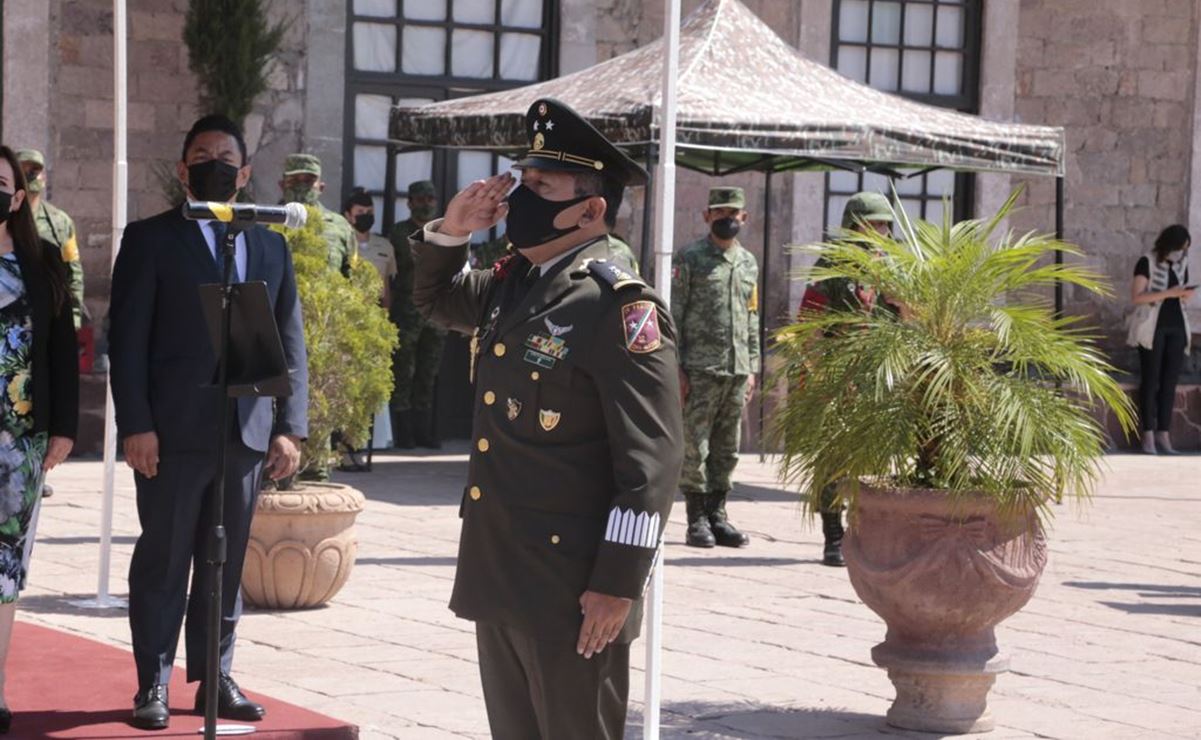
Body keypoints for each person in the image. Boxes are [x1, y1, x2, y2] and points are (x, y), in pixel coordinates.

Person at [411, 97, 683, 739]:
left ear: (592, 209)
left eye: (540, 186)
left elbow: (652, 463)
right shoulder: (518, 280)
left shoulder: (616, 306)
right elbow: (436, 300)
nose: (519, 199)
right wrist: (453, 229)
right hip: (502, 567)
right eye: (521, 182)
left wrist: (617, 585)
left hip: (574, 590)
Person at [109, 114, 308, 730]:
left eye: (226, 156)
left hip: (244, 434)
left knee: (224, 561)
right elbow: (128, 339)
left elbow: (288, 335)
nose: (214, 163)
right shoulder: (150, 239)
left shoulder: (270, 243)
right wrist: (136, 423)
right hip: (169, 435)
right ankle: (154, 682)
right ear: (182, 168)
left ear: (245, 172)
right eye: (201, 154)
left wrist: (288, 426)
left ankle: (215, 676)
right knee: (165, 560)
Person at [0, 145, 78, 736]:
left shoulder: (44, 259)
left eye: (1, 183)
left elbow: (62, 350)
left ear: (19, 196)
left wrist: (65, 428)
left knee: (4, 568)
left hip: (19, 442)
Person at [801, 191, 896, 566]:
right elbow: (808, 326)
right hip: (840, 379)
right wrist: (820, 376)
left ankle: (866, 533)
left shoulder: (892, 268)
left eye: (886, 224)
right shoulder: (832, 267)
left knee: (873, 461)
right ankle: (834, 534)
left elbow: (911, 318)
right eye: (875, 223)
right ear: (855, 225)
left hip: (880, 379)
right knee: (834, 460)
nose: (883, 231)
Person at [671, 186, 759, 549]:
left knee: (728, 448)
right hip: (699, 370)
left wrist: (752, 365)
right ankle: (696, 521)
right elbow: (673, 315)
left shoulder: (748, 262)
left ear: (744, 218)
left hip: (736, 370)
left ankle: (719, 516)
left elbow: (752, 315)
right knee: (696, 446)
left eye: (733, 214)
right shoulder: (690, 258)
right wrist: (675, 366)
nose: (727, 220)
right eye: (719, 213)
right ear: (707, 216)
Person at [388, 180, 448, 449]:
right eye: (420, 199)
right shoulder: (399, 232)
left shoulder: (444, 231)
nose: (425, 204)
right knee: (404, 372)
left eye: (430, 199)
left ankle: (425, 431)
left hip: (436, 315)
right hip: (407, 313)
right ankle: (404, 434)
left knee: (428, 373)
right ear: (409, 202)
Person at [1128, 224, 1194, 454]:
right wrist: (1170, 293)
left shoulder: (1180, 265)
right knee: (1151, 379)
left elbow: (1179, 293)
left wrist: (1184, 294)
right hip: (1152, 328)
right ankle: (1147, 435)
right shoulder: (1146, 262)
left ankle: (1163, 434)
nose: (1181, 253)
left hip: (1176, 326)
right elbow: (1137, 297)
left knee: (1169, 382)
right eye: (1179, 248)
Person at [342, 187, 396, 460]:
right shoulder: (342, 241)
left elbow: (386, 288)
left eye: (369, 213)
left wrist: (385, 322)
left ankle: (369, 441)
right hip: (346, 319)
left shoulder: (384, 246)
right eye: (360, 213)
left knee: (371, 384)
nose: (366, 217)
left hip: (374, 320)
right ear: (348, 216)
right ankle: (343, 442)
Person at [15, 149, 84, 329]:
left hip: (46, 318)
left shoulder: (60, 222)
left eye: (35, 171)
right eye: (24, 171)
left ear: (44, 177)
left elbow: (73, 273)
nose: (30, 176)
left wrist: (74, 318)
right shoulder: (4, 218)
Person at [279, 153, 355, 277]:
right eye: (294, 181)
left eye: (308, 181)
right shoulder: (267, 224)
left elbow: (351, 278)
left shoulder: (340, 226)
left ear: (321, 187)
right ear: (282, 186)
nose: (301, 186)